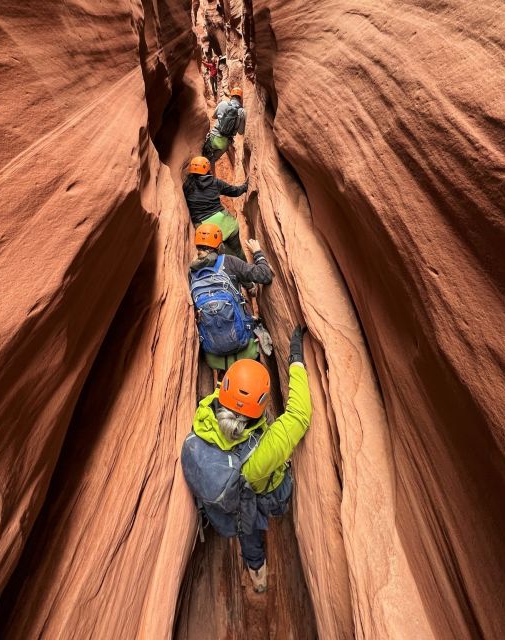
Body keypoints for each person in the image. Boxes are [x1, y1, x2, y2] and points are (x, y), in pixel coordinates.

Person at [181, 327, 312, 593]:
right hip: (252, 493)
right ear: (260, 406)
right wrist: (296, 359)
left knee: (246, 530)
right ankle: (262, 554)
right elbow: (299, 415)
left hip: (224, 494)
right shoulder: (264, 451)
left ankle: (257, 573)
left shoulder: (205, 411)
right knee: (262, 508)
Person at [189, 223, 273, 372]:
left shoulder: (192, 274)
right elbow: (265, 275)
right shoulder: (228, 261)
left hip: (214, 355)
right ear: (220, 246)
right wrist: (257, 252)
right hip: (245, 348)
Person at [183, 156, 248, 260]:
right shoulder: (215, 183)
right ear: (207, 169)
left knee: (225, 259)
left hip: (207, 232)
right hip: (228, 224)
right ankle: (246, 270)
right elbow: (235, 191)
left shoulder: (187, 187)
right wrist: (245, 186)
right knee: (238, 252)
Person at [202, 87, 246, 167]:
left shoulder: (223, 104)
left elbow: (213, 116)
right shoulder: (242, 112)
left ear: (231, 95)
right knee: (212, 161)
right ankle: (212, 178)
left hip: (214, 136)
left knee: (204, 159)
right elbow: (240, 132)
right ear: (240, 98)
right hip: (225, 142)